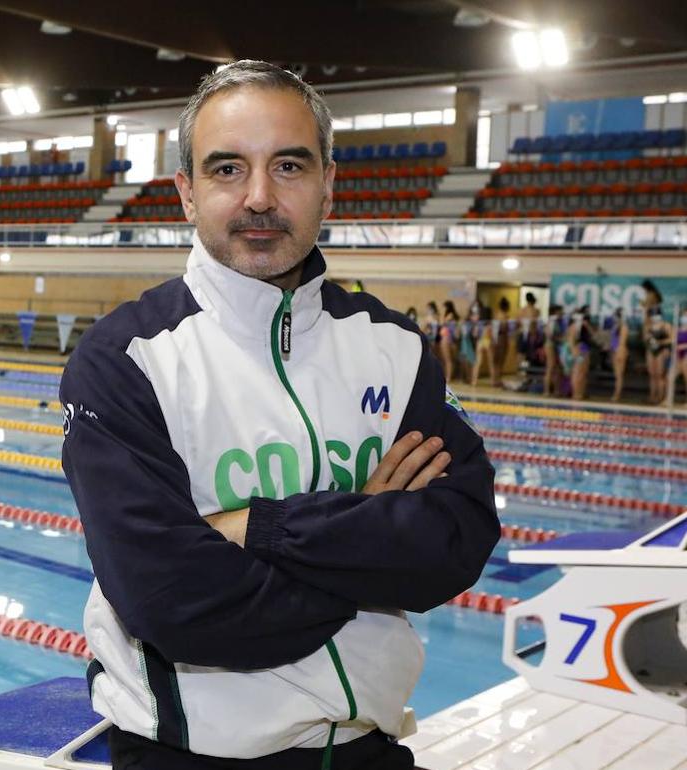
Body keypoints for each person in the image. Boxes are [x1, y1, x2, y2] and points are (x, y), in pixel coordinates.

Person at [60, 60, 498, 770]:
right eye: (227, 169)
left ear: (329, 183)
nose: (259, 198)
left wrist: (259, 527)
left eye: (288, 166)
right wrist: (368, 538)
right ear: (186, 193)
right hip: (190, 758)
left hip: (369, 750)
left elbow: (455, 544)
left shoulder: (396, 349)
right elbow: (176, 605)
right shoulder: (125, 360)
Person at [566, 307, 596, 401]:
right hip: (579, 349)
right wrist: (573, 350)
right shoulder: (574, 326)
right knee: (577, 372)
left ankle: (580, 393)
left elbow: (593, 334)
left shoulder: (583, 326)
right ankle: (576, 393)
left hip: (584, 349)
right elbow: (570, 340)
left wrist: (587, 325)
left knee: (583, 372)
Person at [607, 308, 630, 402]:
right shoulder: (615, 326)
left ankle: (617, 394)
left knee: (619, 375)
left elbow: (622, 342)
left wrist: (619, 352)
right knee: (617, 375)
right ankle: (616, 393)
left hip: (620, 351)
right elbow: (612, 340)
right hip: (614, 350)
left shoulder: (624, 327)